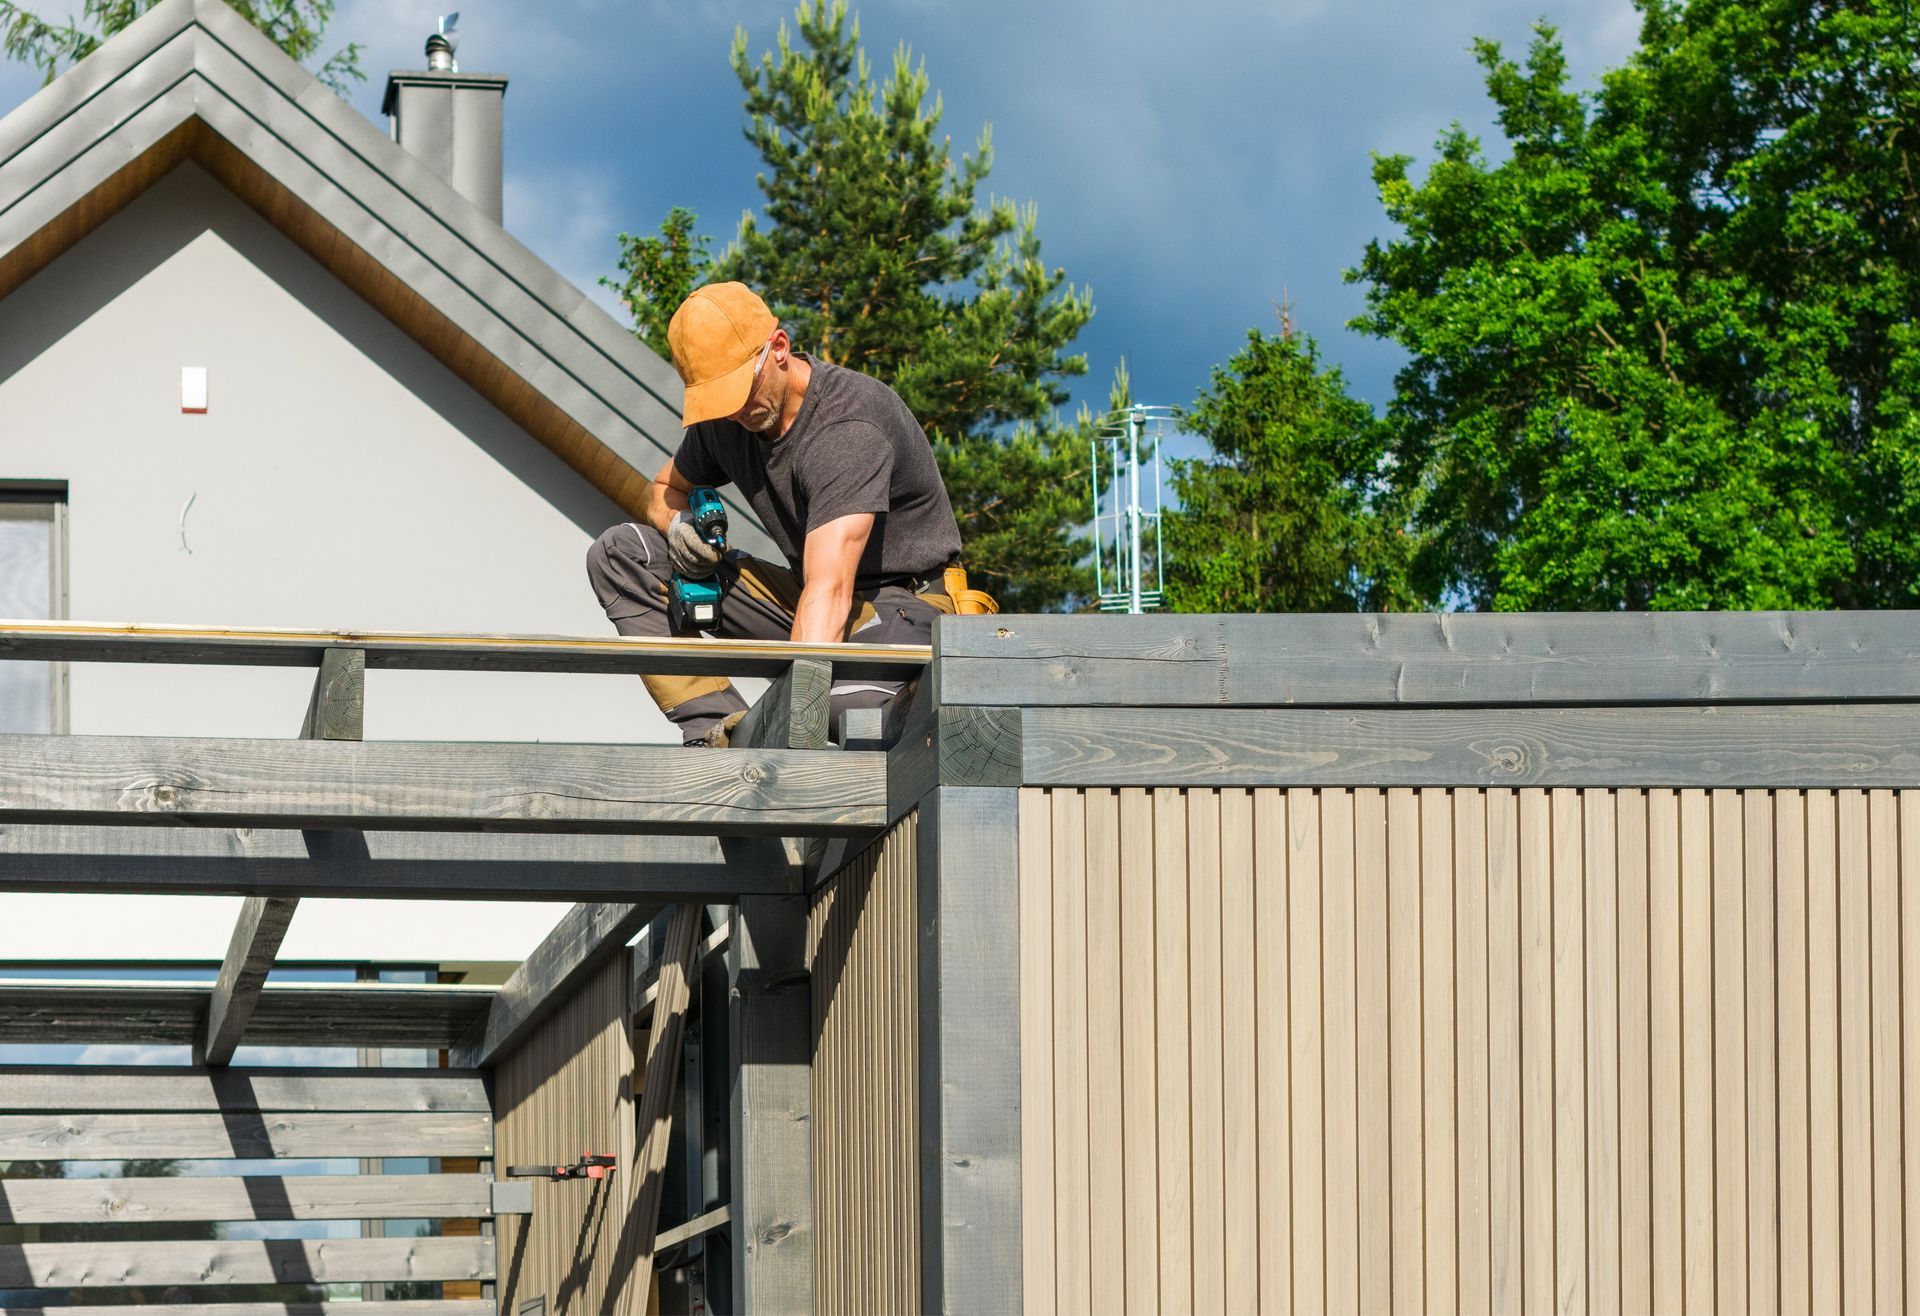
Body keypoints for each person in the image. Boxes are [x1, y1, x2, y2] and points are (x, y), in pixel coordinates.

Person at [586, 281, 975, 746]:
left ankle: (768, 743)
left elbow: (831, 591)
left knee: (849, 709)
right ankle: (716, 732)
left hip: (903, 605)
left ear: (779, 348)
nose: (735, 412)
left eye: (740, 391)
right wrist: (679, 526)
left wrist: (783, 739)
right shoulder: (728, 419)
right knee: (620, 555)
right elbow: (664, 489)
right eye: (719, 400)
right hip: (808, 593)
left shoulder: (848, 426)